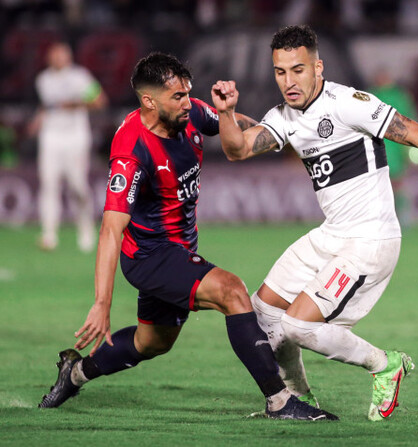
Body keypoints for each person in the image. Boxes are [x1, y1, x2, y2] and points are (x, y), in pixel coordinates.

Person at [211, 25, 418, 421]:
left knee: (297, 325)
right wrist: (227, 113)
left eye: (298, 69)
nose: (289, 80)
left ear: (319, 67)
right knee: (264, 309)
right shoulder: (282, 117)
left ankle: (384, 364)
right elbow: (237, 150)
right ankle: (298, 400)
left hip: (370, 240)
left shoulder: (348, 103)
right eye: (280, 72)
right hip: (332, 234)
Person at [38, 52, 337, 421]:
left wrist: (282, 135)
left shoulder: (189, 112)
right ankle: (279, 401)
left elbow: (240, 128)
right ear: (149, 101)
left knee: (152, 343)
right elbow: (110, 230)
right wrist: (102, 303)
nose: (188, 103)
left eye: (187, 93)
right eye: (177, 96)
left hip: (180, 248)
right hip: (150, 256)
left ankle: (76, 372)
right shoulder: (131, 153)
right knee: (232, 291)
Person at [33, 42, 108, 252]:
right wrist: (36, 122)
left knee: (77, 185)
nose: (57, 58)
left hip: (75, 136)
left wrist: (74, 104)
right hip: (50, 136)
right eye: (54, 55)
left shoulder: (80, 77)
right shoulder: (43, 79)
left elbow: (100, 100)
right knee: (49, 184)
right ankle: (49, 234)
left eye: (61, 55)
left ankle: (85, 230)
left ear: (68, 57)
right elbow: (47, 106)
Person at [369, 67, 418, 226]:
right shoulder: (371, 95)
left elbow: (411, 122)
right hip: (377, 148)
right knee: (379, 187)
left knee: (396, 184)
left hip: (394, 148)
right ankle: (386, 219)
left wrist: (411, 150)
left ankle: (402, 218)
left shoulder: (399, 96)